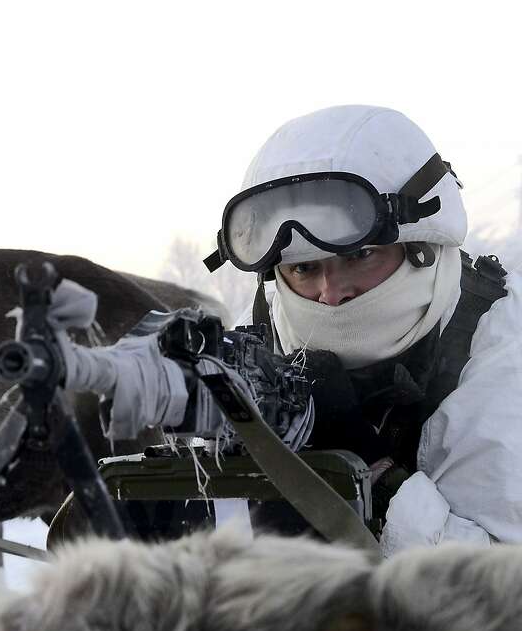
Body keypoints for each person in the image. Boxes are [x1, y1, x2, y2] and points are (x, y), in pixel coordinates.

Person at [204, 104, 522, 556]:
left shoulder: (501, 352)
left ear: (423, 246)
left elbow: (500, 589)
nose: (330, 293)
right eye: (304, 268)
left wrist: (372, 472)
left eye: (360, 256)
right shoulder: (266, 340)